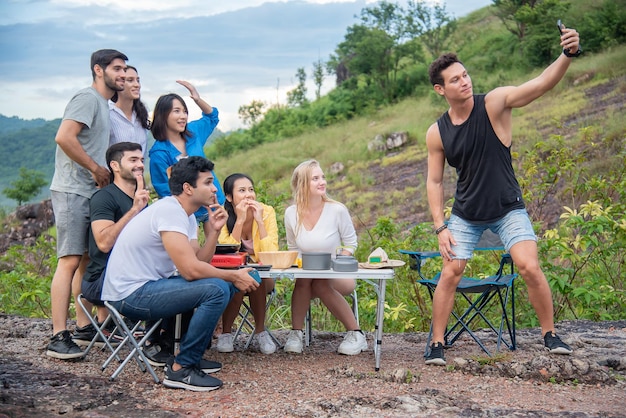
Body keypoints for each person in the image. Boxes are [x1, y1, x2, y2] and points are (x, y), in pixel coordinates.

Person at [423, 24, 581, 365]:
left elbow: (539, 85)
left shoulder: (493, 103)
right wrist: (441, 227)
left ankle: (549, 334)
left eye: (465, 75)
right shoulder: (437, 132)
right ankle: (436, 343)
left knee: (528, 266)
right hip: (465, 214)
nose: (464, 81)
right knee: (451, 271)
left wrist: (567, 55)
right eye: (455, 80)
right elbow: (434, 182)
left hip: (507, 208)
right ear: (440, 89)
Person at [101, 156, 260, 392]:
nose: (214, 188)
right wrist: (233, 276)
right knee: (216, 288)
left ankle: (190, 356)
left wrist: (215, 232)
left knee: (225, 284)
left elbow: (198, 261)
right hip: (130, 294)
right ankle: (181, 368)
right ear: (188, 188)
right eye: (207, 182)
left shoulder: (186, 215)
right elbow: (190, 270)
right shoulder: (169, 211)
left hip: (150, 287)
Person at [46, 49, 128, 360]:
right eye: (116, 69)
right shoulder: (87, 98)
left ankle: (82, 326)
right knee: (68, 260)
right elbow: (64, 137)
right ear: (98, 70)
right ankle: (58, 334)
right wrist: (95, 168)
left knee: (83, 259)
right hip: (72, 189)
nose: (121, 74)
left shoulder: (104, 105)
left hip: (88, 192)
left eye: (124, 69)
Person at [283, 159, 367, 355]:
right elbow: (293, 248)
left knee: (319, 282)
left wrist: (337, 262)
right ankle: (296, 334)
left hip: (338, 275)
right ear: (302, 184)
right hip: (307, 276)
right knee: (305, 280)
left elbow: (351, 244)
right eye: (315, 178)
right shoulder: (290, 213)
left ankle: (356, 334)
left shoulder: (337, 209)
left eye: (322, 177)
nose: (322, 182)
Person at [75, 142, 149, 347]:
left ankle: (164, 343)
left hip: (133, 276)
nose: (140, 165)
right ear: (115, 166)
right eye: (133, 160)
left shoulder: (140, 198)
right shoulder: (104, 197)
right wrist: (134, 210)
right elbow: (104, 243)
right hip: (102, 281)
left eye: (141, 160)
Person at [216, 173, 279, 354]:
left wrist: (259, 220)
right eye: (242, 191)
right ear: (229, 197)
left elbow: (270, 253)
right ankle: (226, 333)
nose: (248, 195)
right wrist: (241, 219)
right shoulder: (223, 215)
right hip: (231, 274)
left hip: (263, 274)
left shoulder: (266, 212)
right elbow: (227, 250)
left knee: (254, 277)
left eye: (251, 190)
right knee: (240, 280)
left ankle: (261, 331)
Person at [148, 81, 225, 225]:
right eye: (176, 111)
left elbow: (212, 117)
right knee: (192, 247)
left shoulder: (193, 133)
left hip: (213, 204)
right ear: (163, 115)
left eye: (184, 111)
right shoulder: (159, 153)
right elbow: (165, 189)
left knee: (217, 245)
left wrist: (197, 99)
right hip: (187, 212)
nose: (183, 116)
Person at [109, 65, 151, 159]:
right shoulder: (109, 115)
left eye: (138, 80)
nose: (137, 85)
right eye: (130, 80)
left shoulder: (141, 116)